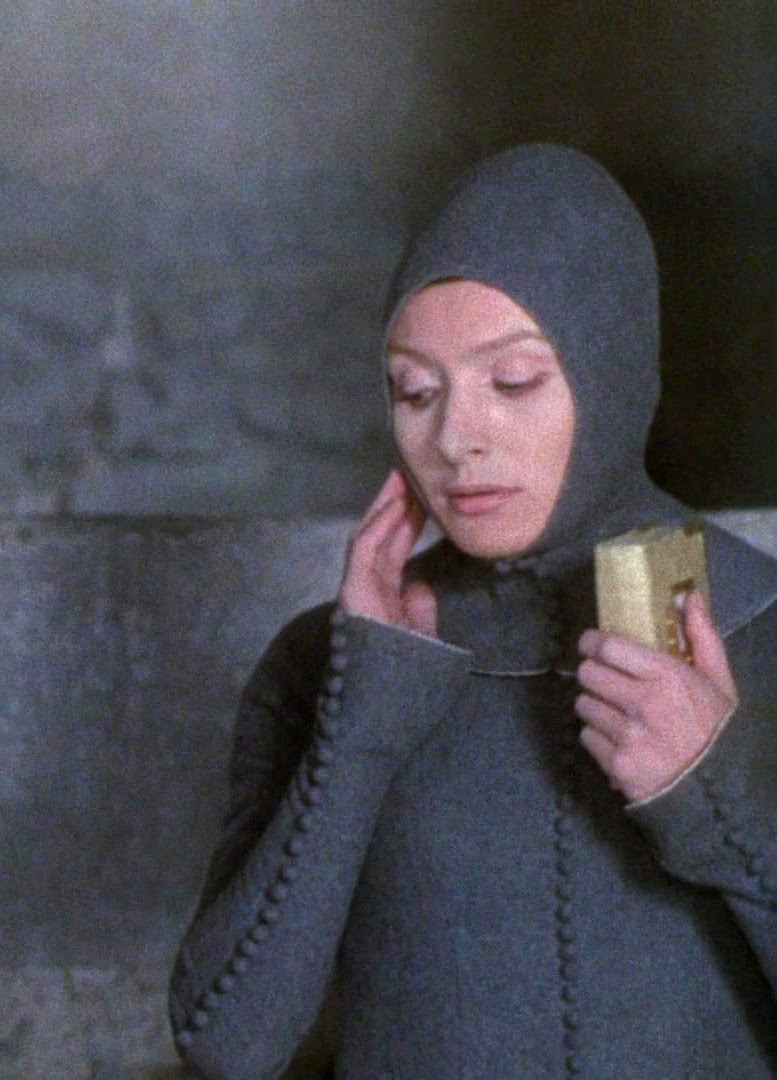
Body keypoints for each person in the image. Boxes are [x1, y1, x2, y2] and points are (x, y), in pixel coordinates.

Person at [169, 144, 777, 1078]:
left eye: (514, 380)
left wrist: (717, 797)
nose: (454, 438)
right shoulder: (326, 665)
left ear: (612, 375)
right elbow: (226, 1046)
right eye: (415, 391)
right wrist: (358, 734)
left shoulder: (765, 627)